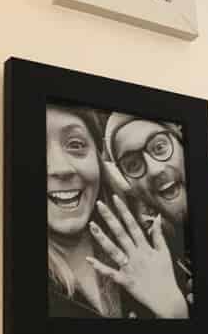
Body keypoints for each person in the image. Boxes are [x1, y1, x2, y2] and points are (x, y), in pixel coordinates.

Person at [46, 105, 188, 319]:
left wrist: (175, 311)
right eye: (133, 164)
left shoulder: (154, 248)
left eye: (75, 144)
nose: (61, 168)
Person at [103, 113, 193, 309]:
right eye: (133, 165)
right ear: (128, 183)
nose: (154, 170)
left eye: (160, 147)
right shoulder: (153, 264)